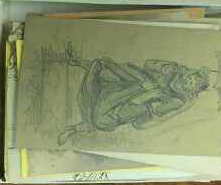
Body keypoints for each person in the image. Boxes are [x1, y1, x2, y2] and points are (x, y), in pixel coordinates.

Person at [58, 51, 210, 146]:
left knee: (104, 119)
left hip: (142, 103)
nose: (188, 81)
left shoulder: (180, 100)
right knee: (107, 72)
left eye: (193, 84)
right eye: (191, 78)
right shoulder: (176, 70)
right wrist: (164, 69)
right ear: (192, 73)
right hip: (139, 79)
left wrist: (146, 96)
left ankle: (73, 130)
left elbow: (156, 109)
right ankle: (78, 62)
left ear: (195, 90)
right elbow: (148, 64)